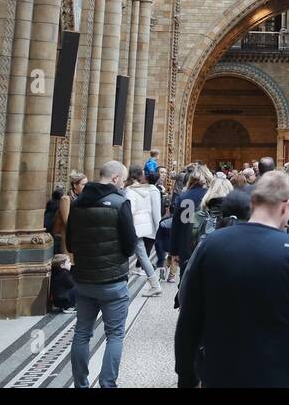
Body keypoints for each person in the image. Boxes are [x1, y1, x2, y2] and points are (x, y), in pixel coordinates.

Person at [174, 171, 289, 388]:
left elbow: (189, 316)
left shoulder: (211, 245)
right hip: (276, 376)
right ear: (285, 205)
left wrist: (186, 375)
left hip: (219, 374)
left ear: (253, 202)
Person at [65, 161, 137, 389]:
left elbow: (70, 243)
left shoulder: (77, 204)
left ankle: (80, 385)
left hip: (84, 280)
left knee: (82, 332)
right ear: (115, 178)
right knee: (114, 335)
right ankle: (107, 385)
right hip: (113, 282)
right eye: (123, 180)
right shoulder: (120, 203)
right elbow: (130, 245)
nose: (123, 184)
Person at [125, 165, 164, 296]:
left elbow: (130, 210)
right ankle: (154, 284)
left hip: (131, 226)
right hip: (141, 227)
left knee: (137, 254)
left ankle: (154, 284)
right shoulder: (148, 189)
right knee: (142, 255)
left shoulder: (129, 190)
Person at [172, 165, 212, 276]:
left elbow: (176, 226)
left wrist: (174, 251)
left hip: (185, 245)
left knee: (185, 278)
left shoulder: (183, 196)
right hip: (207, 244)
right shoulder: (211, 196)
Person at [53, 171, 86, 258]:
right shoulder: (66, 199)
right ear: (75, 185)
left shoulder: (82, 199)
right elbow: (66, 221)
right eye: (83, 184)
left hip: (78, 237)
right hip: (67, 238)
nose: (86, 187)